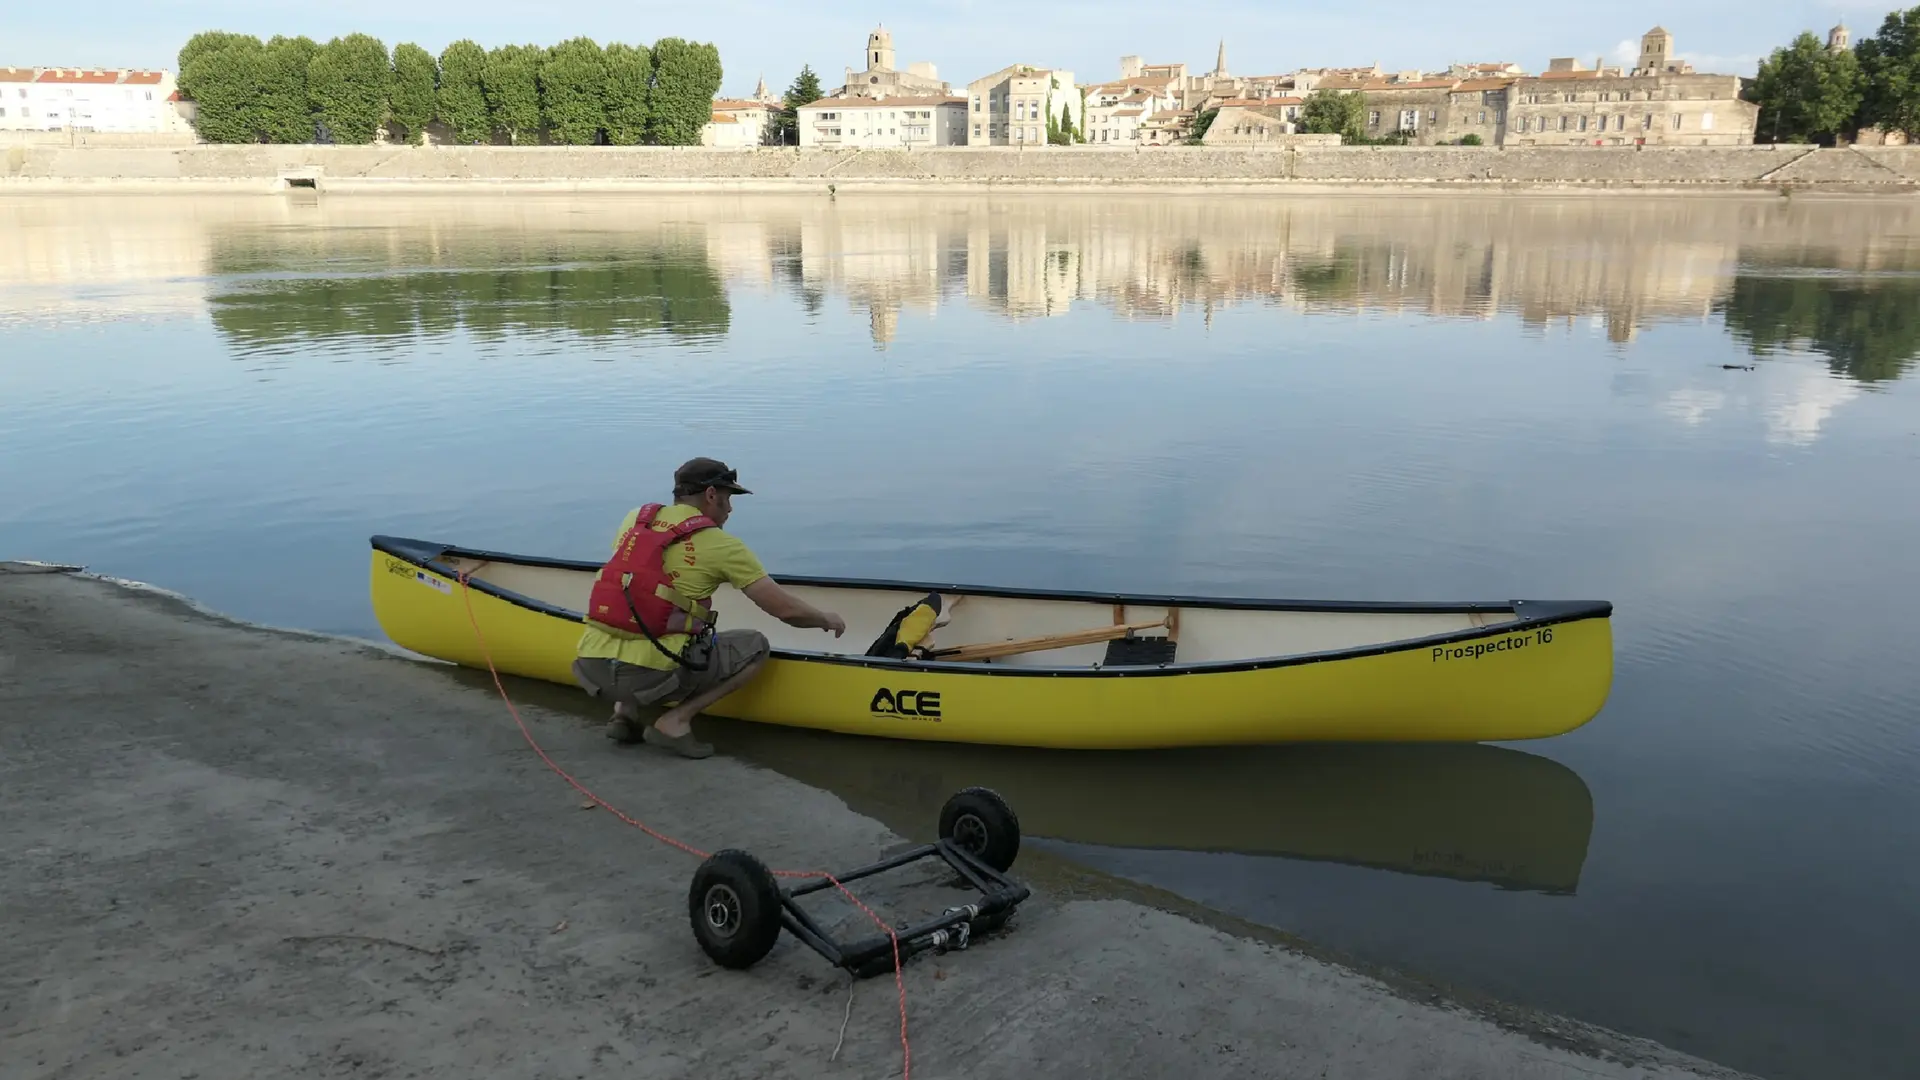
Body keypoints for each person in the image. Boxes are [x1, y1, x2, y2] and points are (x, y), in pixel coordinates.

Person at [571, 458, 846, 759]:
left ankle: (624, 715)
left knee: (638, 600)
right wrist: (825, 619)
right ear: (711, 494)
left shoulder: (636, 520)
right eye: (728, 499)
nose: (730, 509)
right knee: (755, 646)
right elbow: (786, 611)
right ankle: (675, 722)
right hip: (650, 678)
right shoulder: (721, 545)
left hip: (590, 667)